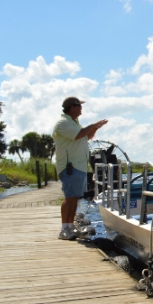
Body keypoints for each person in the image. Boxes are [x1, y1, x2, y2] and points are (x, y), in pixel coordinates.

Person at [52, 96, 108, 240]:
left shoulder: (74, 123)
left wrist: (95, 128)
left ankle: (70, 226)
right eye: (78, 105)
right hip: (69, 166)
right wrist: (93, 124)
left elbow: (86, 136)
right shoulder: (63, 123)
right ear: (72, 107)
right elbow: (79, 134)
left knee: (74, 197)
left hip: (79, 166)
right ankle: (64, 229)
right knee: (69, 197)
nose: (81, 108)